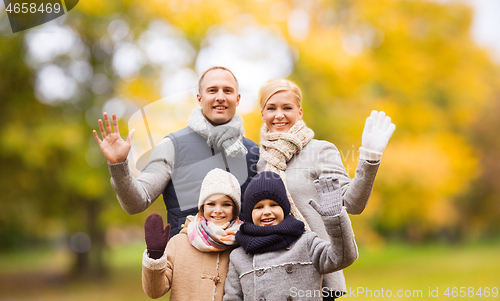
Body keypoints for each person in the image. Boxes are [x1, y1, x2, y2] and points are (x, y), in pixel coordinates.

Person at [257, 79, 395, 299]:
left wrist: (369, 158)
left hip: (316, 272)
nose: (279, 115)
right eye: (272, 108)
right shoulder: (261, 161)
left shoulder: (320, 150)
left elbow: (352, 203)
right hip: (274, 278)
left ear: (299, 112)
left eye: (287, 107)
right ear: (262, 114)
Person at [93, 66, 259, 237]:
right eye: (212, 90)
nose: (220, 97)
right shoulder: (173, 146)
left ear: (237, 99)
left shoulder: (254, 152)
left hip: (240, 260)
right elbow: (136, 203)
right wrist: (119, 165)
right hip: (187, 259)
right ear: (199, 98)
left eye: (227, 90)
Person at [223, 171, 358, 301]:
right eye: (259, 207)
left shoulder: (306, 242)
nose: (267, 212)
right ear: (249, 214)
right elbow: (232, 298)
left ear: (285, 208)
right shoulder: (239, 256)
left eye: (273, 205)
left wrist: (335, 220)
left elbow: (343, 257)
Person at [142, 168, 243, 300]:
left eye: (226, 204)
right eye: (211, 204)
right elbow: (154, 292)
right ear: (202, 207)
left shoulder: (241, 244)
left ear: (235, 209)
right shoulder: (178, 243)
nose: (218, 210)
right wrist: (155, 256)